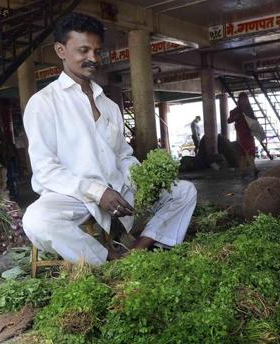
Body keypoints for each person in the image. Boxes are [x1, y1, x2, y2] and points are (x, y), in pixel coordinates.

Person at [22, 13, 197, 266]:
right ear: (60, 50)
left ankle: (138, 249)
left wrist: (140, 180)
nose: (93, 58)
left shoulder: (109, 105)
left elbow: (122, 155)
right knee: (37, 220)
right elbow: (45, 170)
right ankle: (109, 260)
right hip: (74, 196)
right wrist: (97, 191)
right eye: (83, 50)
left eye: (97, 51)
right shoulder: (43, 103)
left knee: (184, 191)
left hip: (119, 189)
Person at [228, 92, 258, 177]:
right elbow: (229, 120)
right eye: (242, 99)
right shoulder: (235, 111)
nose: (244, 101)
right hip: (241, 135)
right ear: (239, 100)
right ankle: (253, 169)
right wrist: (236, 116)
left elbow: (254, 120)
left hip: (249, 134)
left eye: (246, 99)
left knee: (249, 152)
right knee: (244, 152)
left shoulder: (249, 110)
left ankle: (243, 171)